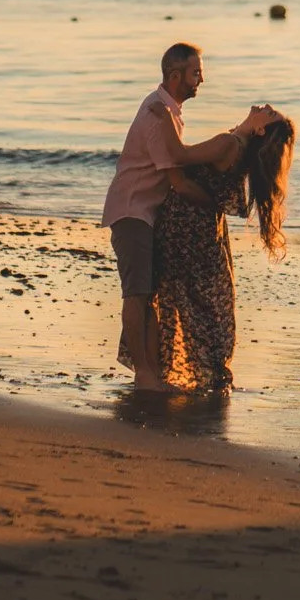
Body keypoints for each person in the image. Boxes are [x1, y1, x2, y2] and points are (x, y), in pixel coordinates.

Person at [102, 44, 276, 391]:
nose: (202, 79)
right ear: (175, 75)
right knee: (137, 293)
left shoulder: (169, 114)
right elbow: (179, 179)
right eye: (196, 72)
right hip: (133, 210)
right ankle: (145, 375)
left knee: (148, 294)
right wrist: (215, 205)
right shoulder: (158, 114)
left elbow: (183, 166)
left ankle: (151, 374)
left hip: (147, 214)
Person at [146, 110, 292, 393]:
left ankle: (162, 373)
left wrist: (164, 117)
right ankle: (206, 374)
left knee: (178, 299)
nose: (264, 107)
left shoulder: (229, 144)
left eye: (270, 113)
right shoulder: (240, 148)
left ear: (261, 130)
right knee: (200, 305)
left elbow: (177, 154)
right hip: (204, 232)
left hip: (185, 229)